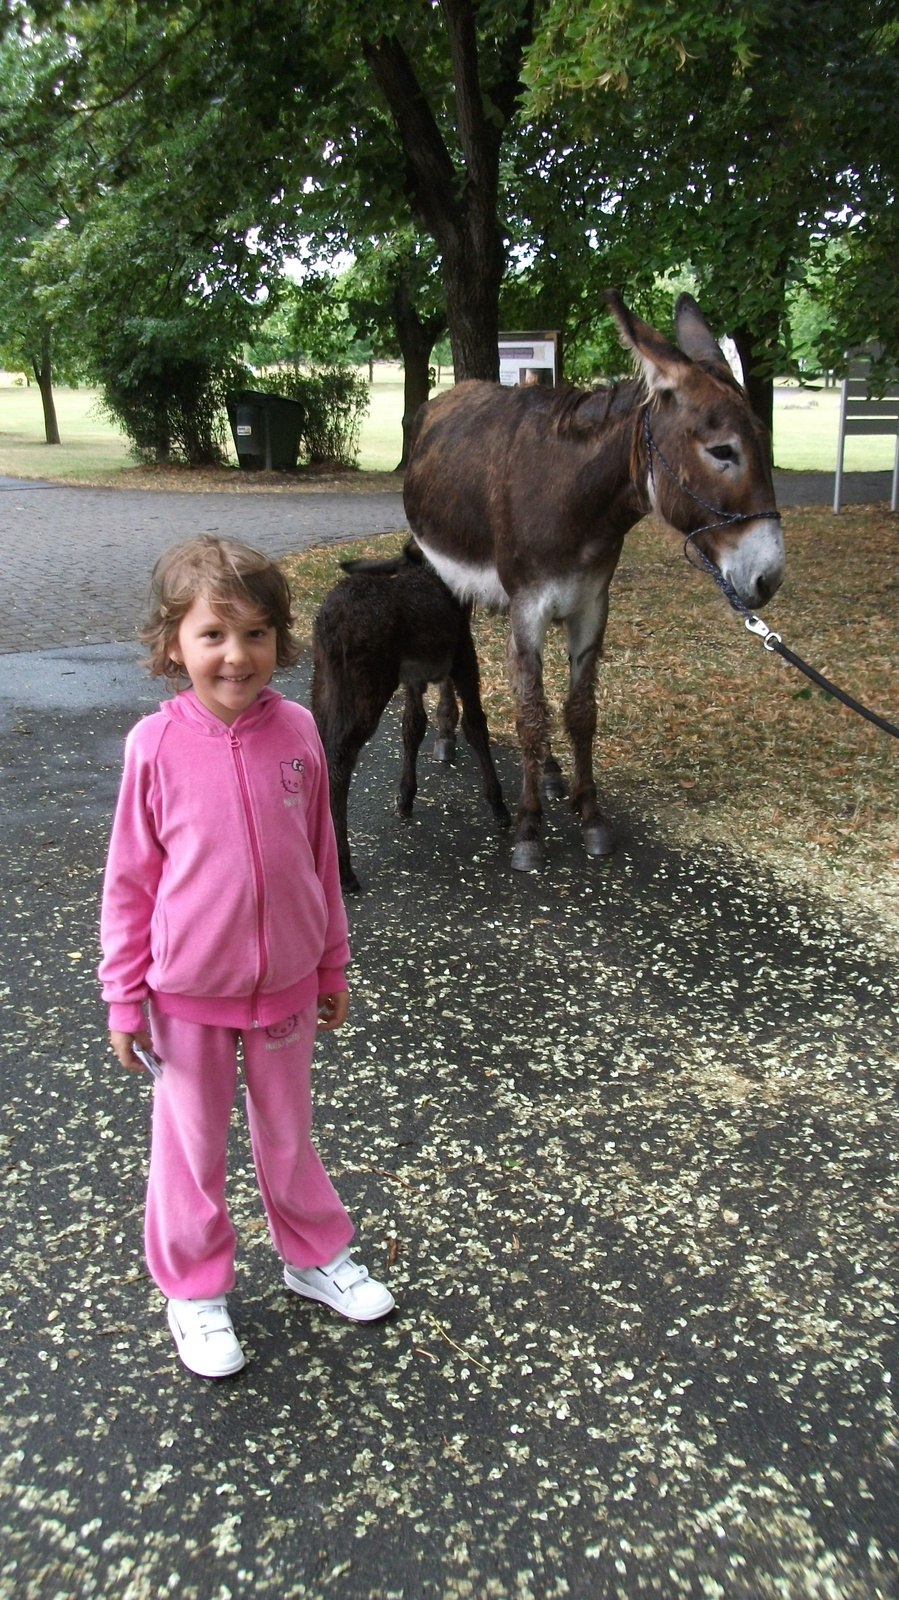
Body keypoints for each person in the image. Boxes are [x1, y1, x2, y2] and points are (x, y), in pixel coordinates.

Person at [98, 536, 394, 1379]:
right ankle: (194, 1291)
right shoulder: (153, 748)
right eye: (214, 635)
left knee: (289, 1134)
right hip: (184, 998)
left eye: (257, 634)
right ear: (172, 645)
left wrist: (330, 963)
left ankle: (313, 1257)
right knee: (191, 1151)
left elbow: (318, 856)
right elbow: (128, 885)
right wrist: (124, 1001)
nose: (238, 655)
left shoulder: (297, 730)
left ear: (280, 641)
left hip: (289, 989)